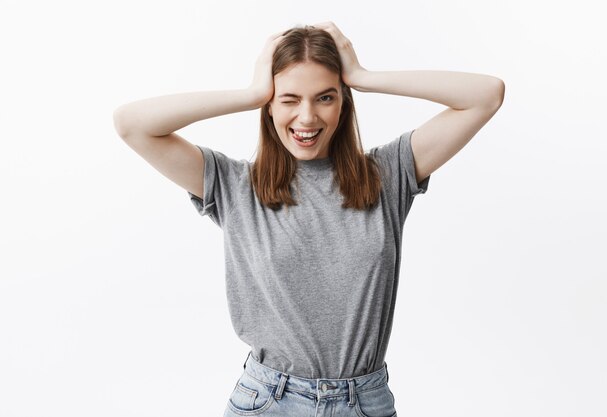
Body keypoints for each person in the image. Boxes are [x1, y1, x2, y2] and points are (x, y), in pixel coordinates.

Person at [113, 21, 504, 417]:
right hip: (269, 402)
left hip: (365, 402)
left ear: (344, 102)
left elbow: (486, 96)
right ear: (269, 105)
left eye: (325, 97)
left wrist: (363, 76)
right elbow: (132, 124)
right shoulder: (234, 186)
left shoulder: (388, 175)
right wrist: (250, 92)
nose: (307, 117)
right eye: (289, 99)